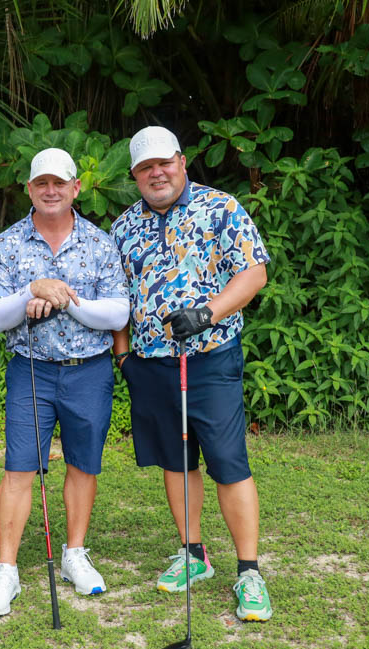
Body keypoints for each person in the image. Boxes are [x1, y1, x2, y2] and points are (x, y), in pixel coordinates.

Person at [110, 126, 273, 622]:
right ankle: (193, 553)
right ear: (135, 175)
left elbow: (254, 272)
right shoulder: (122, 227)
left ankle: (249, 571)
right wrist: (123, 356)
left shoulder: (221, 208)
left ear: (181, 162)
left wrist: (208, 313)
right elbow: (117, 299)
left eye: (164, 163)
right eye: (146, 168)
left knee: (228, 461)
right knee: (176, 461)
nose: (156, 173)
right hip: (151, 364)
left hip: (211, 357)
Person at [0, 148, 129, 616]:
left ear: (75, 188)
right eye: (41, 183)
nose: (50, 190)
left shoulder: (100, 242)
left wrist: (65, 299)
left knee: (83, 464)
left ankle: (74, 554)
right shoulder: (7, 244)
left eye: (59, 183)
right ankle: (6, 569)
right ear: (29, 189)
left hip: (89, 370)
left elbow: (118, 312)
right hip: (32, 369)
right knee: (20, 467)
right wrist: (30, 290)